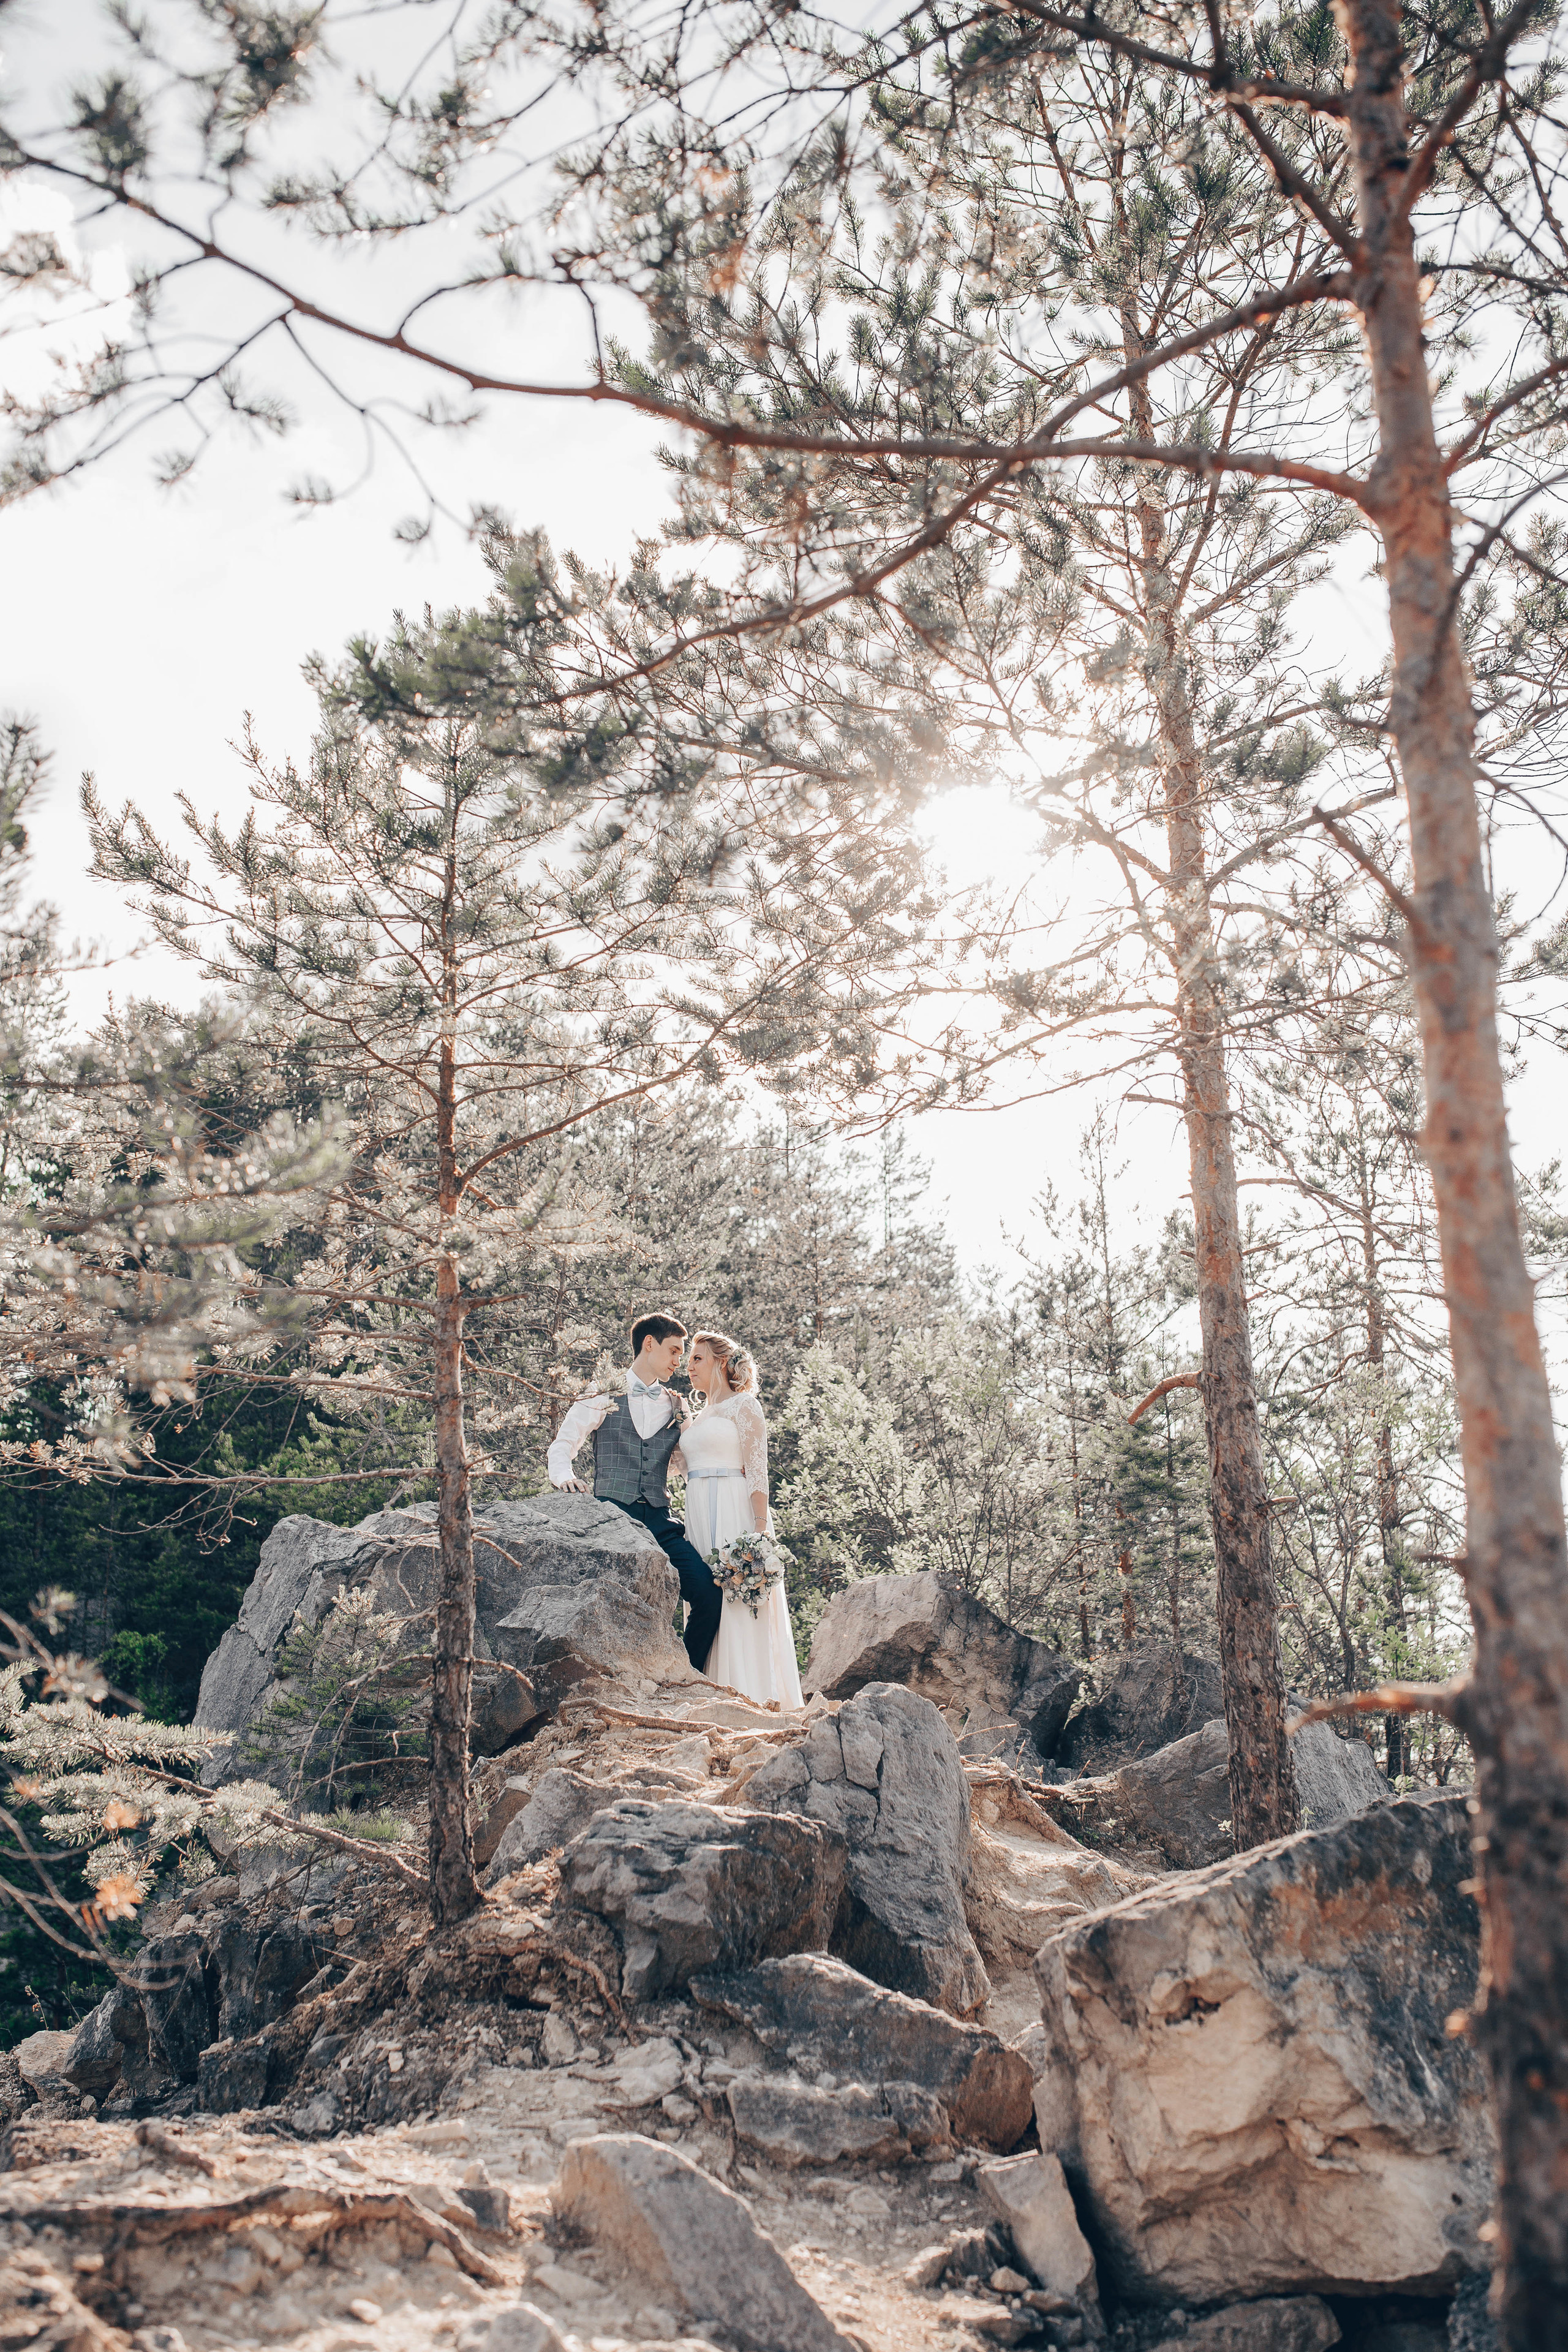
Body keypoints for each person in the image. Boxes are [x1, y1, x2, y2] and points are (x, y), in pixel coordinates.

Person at [546, 1311, 721, 1673]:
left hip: (659, 1519)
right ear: (649, 1344)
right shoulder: (602, 1394)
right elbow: (563, 1445)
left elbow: (690, 1460)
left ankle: (686, 1675)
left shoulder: (677, 1404)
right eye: (674, 1351)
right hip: (612, 1518)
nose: (679, 1362)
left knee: (707, 1595)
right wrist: (565, 1478)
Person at [677, 1328, 803, 1710]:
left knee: (737, 1597)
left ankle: (749, 1694)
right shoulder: (697, 1415)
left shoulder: (744, 1406)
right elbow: (683, 1468)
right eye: (688, 1360)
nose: (689, 1367)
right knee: (705, 1599)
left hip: (735, 1507)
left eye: (697, 1358)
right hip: (698, 1508)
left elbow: (758, 1469)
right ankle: (707, 1688)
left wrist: (760, 1527)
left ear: (720, 1362)